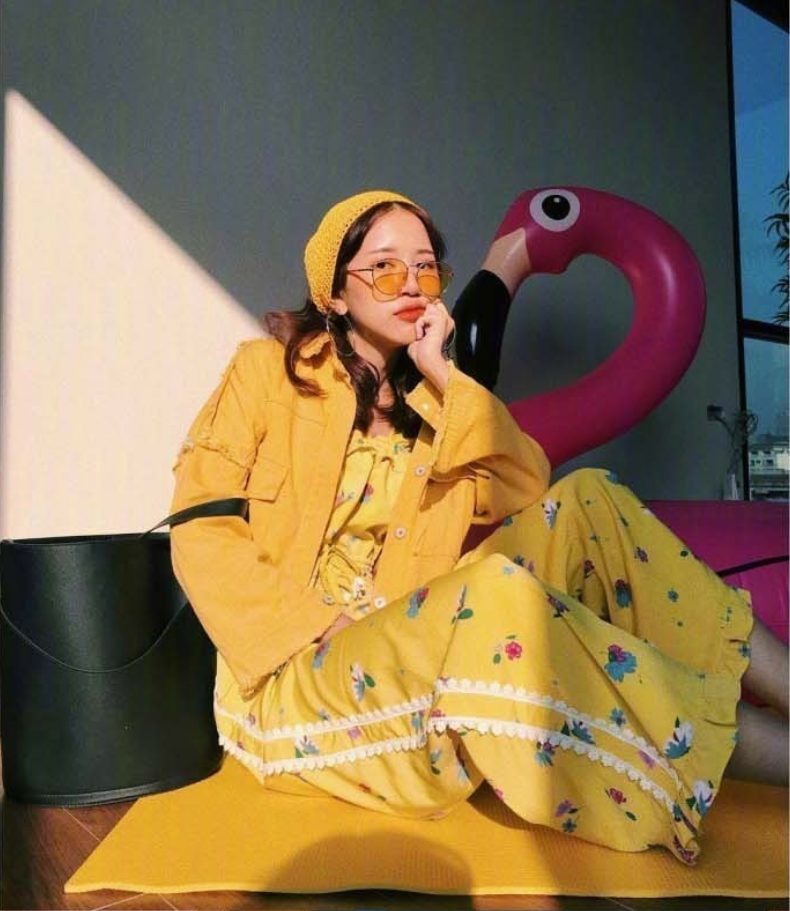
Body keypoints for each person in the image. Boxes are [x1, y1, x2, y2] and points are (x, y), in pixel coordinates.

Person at [170, 189, 788, 865]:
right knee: (493, 590)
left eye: (425, 268)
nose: (411, 284)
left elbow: (525, 486)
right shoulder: (265, 373)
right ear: (336, 295)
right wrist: (322, 623)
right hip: (292, 686)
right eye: (384, 267)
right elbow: (201, 528)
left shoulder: (436, 406)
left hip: (406, 643)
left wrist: (445, 379)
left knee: (590, 499)